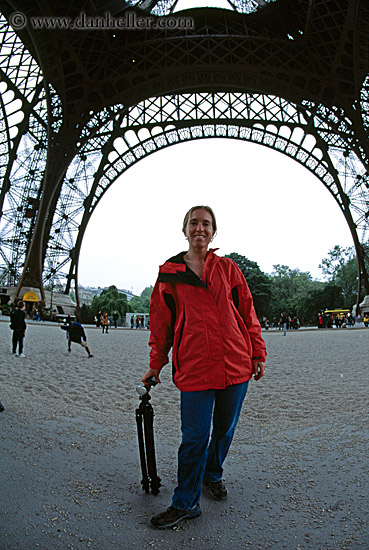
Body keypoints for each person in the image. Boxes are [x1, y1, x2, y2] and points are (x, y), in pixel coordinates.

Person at [142, 205, 267, 529]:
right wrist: (156, 364)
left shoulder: (228, 269)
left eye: (206, 223)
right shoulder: (169, 274)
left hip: (235, 363)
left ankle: (212, 474)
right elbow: (161, 324)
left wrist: (257, 353)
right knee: (195, 437)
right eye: (194, 223)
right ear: (184, 230)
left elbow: (246, 312)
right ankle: (186, 502)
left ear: (213, 231)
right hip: (196, 366)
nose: (200, 228)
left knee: (224, 430)